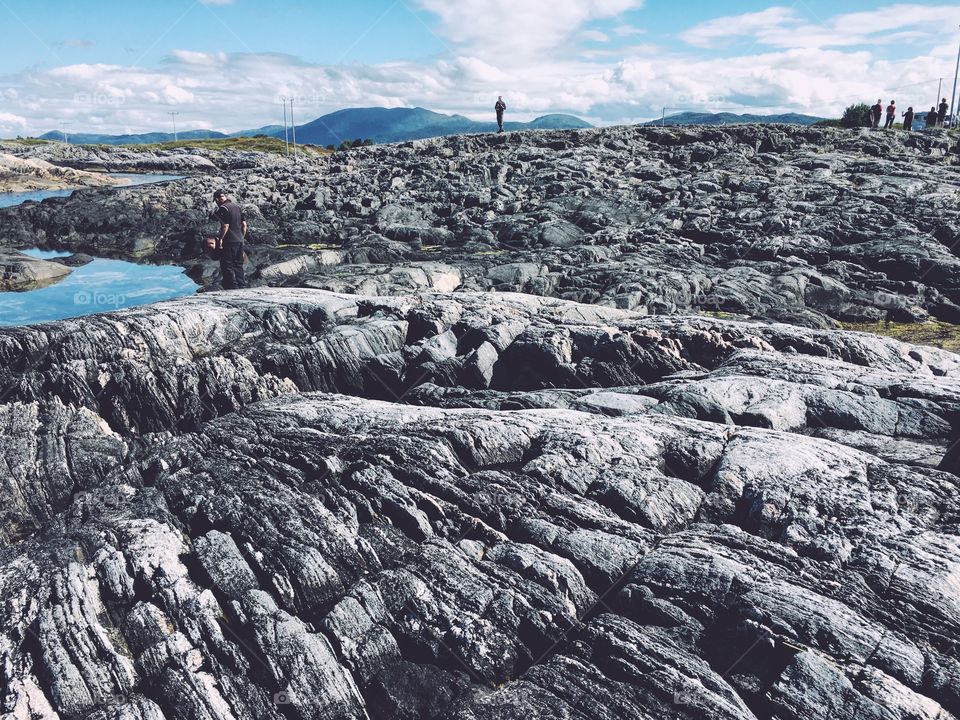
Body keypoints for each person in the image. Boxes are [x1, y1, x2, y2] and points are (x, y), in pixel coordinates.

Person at [211, 189, 247, 290]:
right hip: (239, 240)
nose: (217, 203)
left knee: (227, 265)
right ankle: (242, 285)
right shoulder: (237, 207)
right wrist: (241, 237)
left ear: (218, 199)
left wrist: (221, 239)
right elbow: (244, 225)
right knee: (238, 264)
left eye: (216, 200)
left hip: (229, 241)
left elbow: (225, 226)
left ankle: (232, 287)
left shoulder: (223, 208)